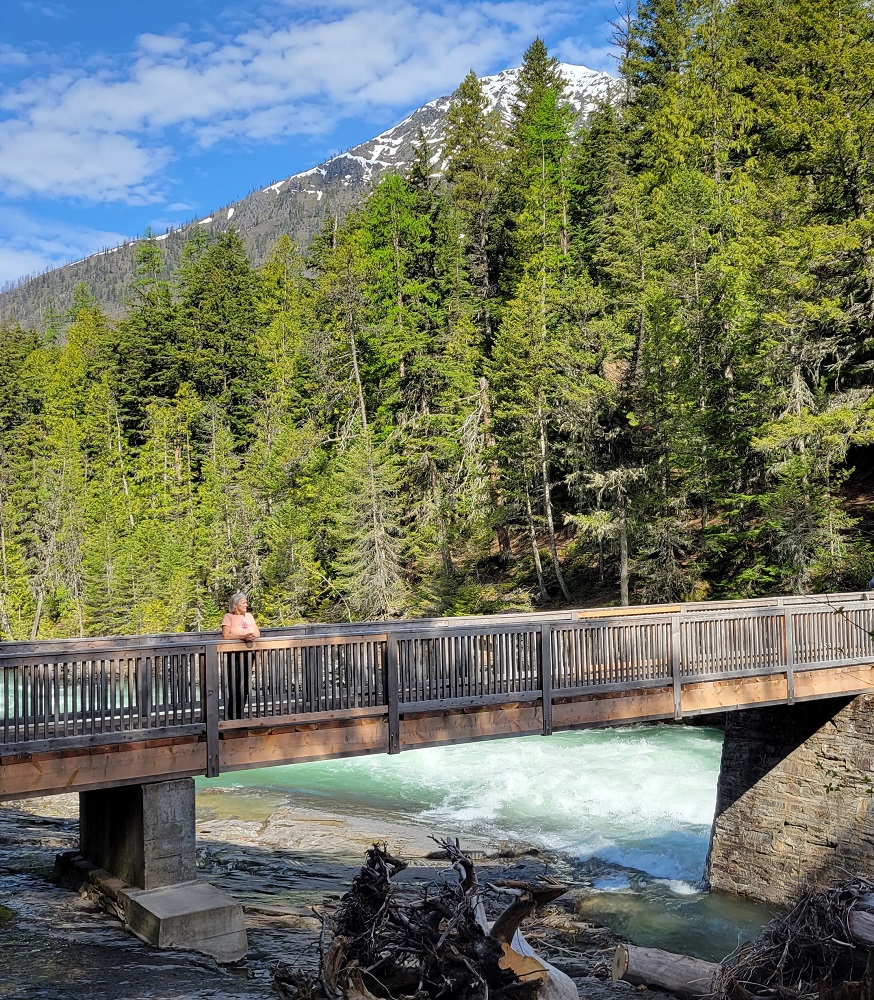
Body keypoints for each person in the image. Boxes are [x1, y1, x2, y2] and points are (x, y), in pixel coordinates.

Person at [221, 592, 261, 719]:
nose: (246, 605)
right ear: (235, 604)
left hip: (249, 654)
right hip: (234, 655)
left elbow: (257, 633)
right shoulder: (228, 617)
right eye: (243, 603)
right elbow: (226, 635)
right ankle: (232, 715)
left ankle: (240, 714)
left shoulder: (249, 616)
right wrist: (242, 637)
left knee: (245, 685)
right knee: (235, 684)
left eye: (246, 602)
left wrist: (251, 636)